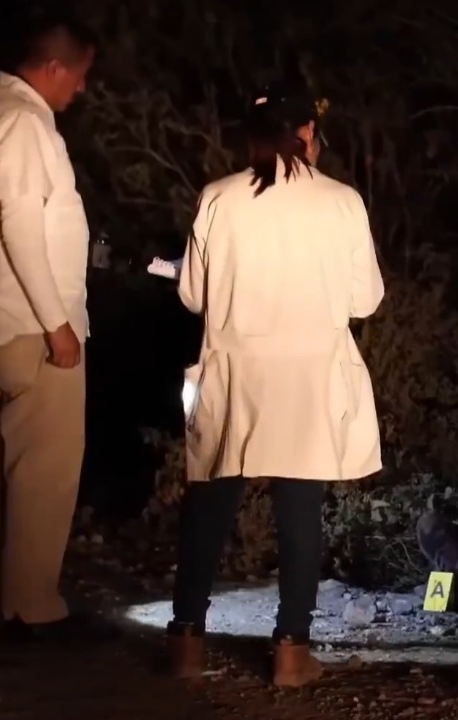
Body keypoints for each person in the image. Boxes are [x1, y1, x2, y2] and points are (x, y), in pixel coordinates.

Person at [166, 79, 386, 686]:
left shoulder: (218, 198)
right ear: (308, 134)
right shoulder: (341, 201)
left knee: (211, 504)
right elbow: (366, 299)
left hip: (234, 372)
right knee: (300, 510)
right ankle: (291, 650)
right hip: (307, 376)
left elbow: (193, 295)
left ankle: (185, 641)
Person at [0, 10, 108, 641]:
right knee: (43, 469)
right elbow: (20, 227)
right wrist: (57, 324)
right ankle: (33, 609)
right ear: (53, 68)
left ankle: (0, 600)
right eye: (80, 75)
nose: (82, 88)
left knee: (2, 471)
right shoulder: (20, 120)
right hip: (29, 325)